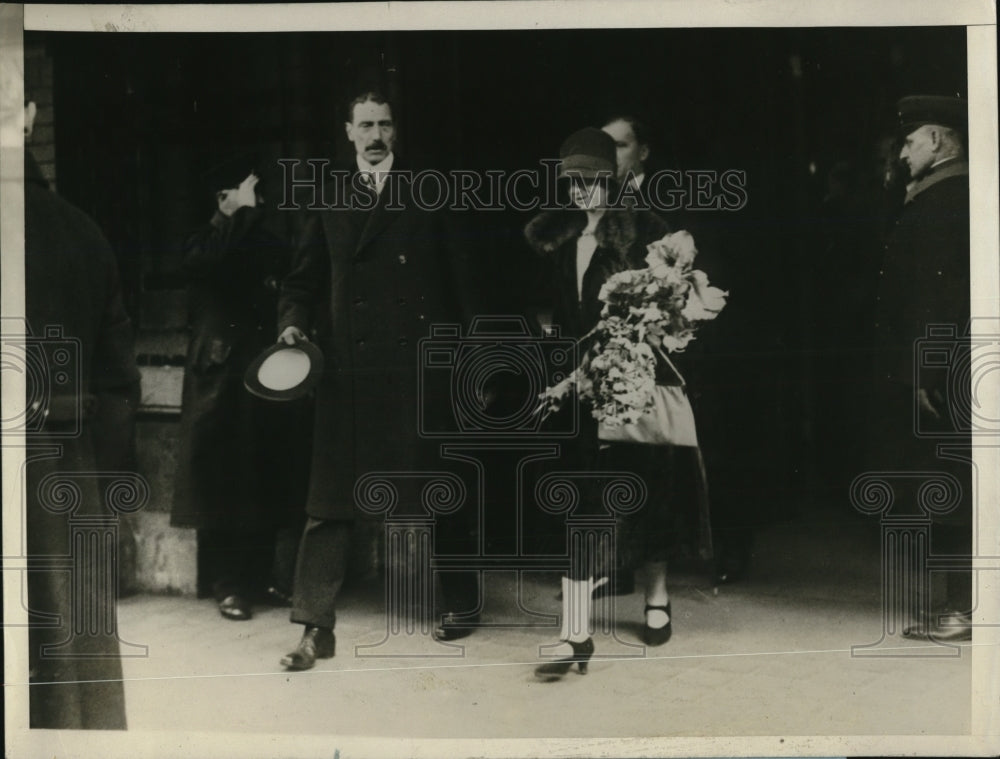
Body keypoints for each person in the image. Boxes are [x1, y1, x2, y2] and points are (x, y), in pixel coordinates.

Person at [276, 91, 478, 670]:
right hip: (349, 372)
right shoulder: (327, 196)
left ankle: (461, 602)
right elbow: (301, 282)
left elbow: (460, 280)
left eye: (386, 124)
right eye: (365, 124)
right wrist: (291, 325)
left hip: (417, 366)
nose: (376, 135)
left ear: (396, 132)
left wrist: (469, 358)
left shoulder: (429, 192)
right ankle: (315, 627)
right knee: (329, 503)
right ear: (347, 132)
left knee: (440, 487)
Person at [524, 128, 712, 680]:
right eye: (575, 182)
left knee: (646, 495)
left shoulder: (649, 234)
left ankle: (656, 596)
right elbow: (537, 305)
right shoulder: (550, 237)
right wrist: (551, 337)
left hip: (633, 386)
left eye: (595, 180)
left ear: (614, 179)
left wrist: (644, 333)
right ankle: (574, 634)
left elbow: (676, 309)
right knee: (579, 505)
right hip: (577, 389)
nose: (584, 191)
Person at [7, 79, 139, 728]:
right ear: (30, 119)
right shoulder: (85, 233)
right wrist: (95, 482)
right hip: (72, 479)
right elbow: (119, 386)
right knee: (77, 675)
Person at [171, 159, 311, 621]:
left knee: (266, 471)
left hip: (263, 368)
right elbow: (204, 261)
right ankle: (227, 584)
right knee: (221, 478)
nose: (235, 203)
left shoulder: (272, 245)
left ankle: (260, 578)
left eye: (246, 196)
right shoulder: (204, 239)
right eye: (225, 195)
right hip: (219, 375)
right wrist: (229, 216)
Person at [871, 95, 971, 641]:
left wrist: (924, 375)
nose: (902, 152)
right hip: (956, 362)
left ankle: (964, 610)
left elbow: (937, 295)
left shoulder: (946, 197)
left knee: (954, 482)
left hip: (949, 367)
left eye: (909, 141)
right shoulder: (947, 193)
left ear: (936, 140)